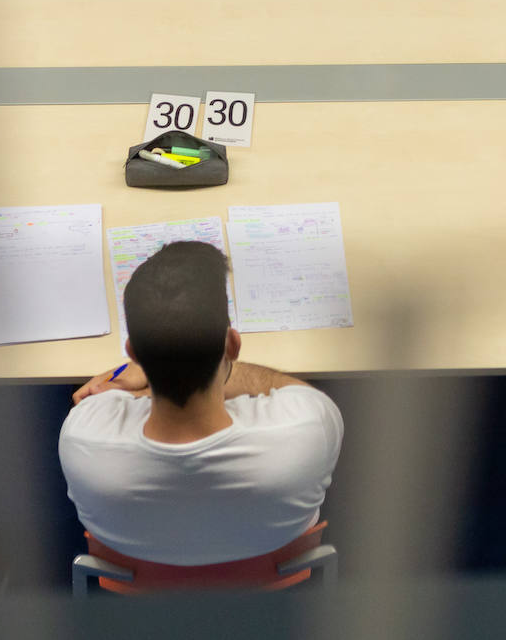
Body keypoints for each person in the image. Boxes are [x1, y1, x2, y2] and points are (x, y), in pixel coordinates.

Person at [59, 240, 344, 565]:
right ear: (233, 345)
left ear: (132, 352)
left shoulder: (82, 435)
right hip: (273, 589)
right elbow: (292, 388)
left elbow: (106, 398)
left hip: (140, 593)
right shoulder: (306, 429)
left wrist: (146, 381)